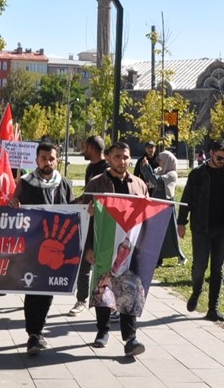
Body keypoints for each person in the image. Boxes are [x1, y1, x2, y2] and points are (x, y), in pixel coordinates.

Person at [82, 142, 150, 357]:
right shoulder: (96, 184)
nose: (122, 161)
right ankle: (102, 331)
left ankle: (130, 338)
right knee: (104, 287)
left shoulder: (139, 184)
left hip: (129, 249)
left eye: (126, 157)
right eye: (118, 157)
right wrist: (88, 247)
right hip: (104, 246)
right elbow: (85, 219)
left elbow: (146, 219)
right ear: (108, 158)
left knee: (129, 290)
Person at [12, 142, 75, 355]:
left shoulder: (64, 184)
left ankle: (38, 332)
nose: (47, 163)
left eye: (51, 159)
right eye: (43, 158)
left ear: (57, 160)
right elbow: (13, 208)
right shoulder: (25, 183)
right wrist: (13, 204)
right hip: (31, 247)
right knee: (33, 290)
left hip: (56, 250)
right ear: (36, 160)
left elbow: (73, 210)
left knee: (49, 290)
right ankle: (33, 333)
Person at [177, 139, 224, 321]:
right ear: (211, 154)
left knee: (218, 269)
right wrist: (181, 222)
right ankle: (197, 289)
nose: (223, 161)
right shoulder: (198, 174)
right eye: (220, 157)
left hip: (223, 228)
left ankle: (213, 309)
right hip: (201, 227)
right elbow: (186, 198)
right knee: (199, 266)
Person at [69, 134, 109, 316]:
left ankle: (107, 302)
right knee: (84, 261)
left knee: (104, 264)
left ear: (91, 149)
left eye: (85, 147)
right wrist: (75, 202)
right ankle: (81, 299)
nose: (83, 151)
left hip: (103, 225)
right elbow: (88, 194)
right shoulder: (89, 168)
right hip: (88, 221)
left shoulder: (107, 169)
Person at [154, 148, 187, 266]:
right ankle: (158, 259)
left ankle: (180, 256)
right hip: (157, 205)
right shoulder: (159, 170)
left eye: (160, 160)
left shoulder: (172, 174)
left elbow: (157, 181)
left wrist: (147, 169)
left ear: (167, 161)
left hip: (167, 206)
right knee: (157, 233)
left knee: (171, 232)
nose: (159, 163)